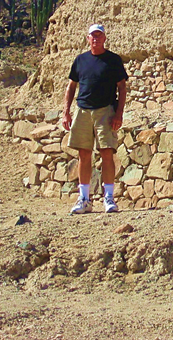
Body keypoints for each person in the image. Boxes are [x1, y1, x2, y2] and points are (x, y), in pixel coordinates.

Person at [62, 23, 128, 214]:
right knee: (84, 154)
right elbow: (71, 86)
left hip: (105, 110)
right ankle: (84, 199)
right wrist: (66, 112)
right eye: (93, 36)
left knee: (107, 153)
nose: (96, 38)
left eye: (99, 35)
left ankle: (109, 198)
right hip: (83, 110)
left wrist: (119, 113)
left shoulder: (113, 60)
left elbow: (122, 87)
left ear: (105, 38)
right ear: (88, 38)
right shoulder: (80, 60)